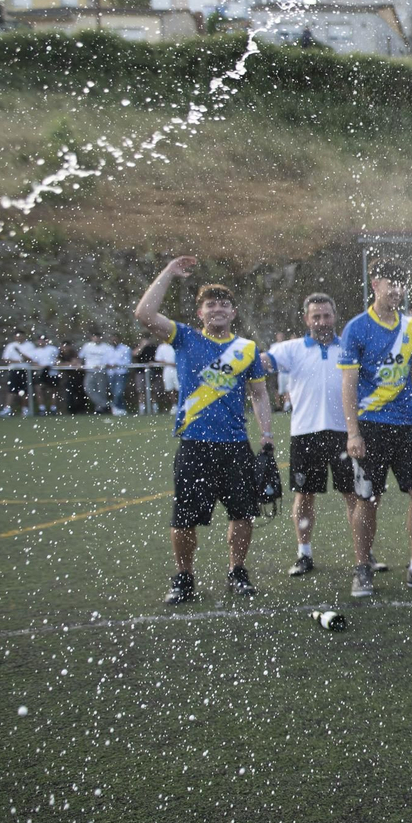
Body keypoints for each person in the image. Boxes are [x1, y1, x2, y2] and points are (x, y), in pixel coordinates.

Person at [133, 257, 273, 604]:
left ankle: (237, 571)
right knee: (183, 519)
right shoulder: (185, 338)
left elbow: (258, 394)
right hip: (195, 443)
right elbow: (144, 314)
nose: (218, 309)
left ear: (233, 312)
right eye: (210, 304)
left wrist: (267, 436)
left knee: (243, 514)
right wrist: (168, 273)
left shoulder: (247, 349)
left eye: (224, 304)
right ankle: (184, 577)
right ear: (200, 313)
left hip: (236, 444)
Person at [340, 260, 412, 598]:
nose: (397, 291)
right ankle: (363, 568)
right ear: (375, 285)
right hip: (372, 426)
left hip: (410, 427)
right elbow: (348, 384)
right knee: (367, 498)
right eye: (391, 284)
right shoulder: (357, 328)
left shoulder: (410, 327)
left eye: (401, 285)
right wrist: (353, 432)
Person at [264, 294, 360, 578]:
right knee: (304, 496)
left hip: (346, 432)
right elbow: (261, 363)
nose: (322, 322)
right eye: (316, 316)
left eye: (326, 315)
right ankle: (304, 554)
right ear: (306, 319)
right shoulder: (291, 348)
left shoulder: (349, 346)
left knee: (354, 495)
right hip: (305, 434)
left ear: (335, 316)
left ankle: (363, 554)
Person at [2, 331, 31, 415]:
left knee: (24, 390)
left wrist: (19, 352)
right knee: (11, 389)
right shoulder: (10, 346)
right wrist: (19, 361)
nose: (19, 338)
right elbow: (6, 359)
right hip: (14, 370)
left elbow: (29, 359)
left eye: (20, 336)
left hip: (25, 370)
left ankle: (25, 409)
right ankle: (7, 409)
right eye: (17, 336)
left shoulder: (29, 345)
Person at [107, 333, 132, 416]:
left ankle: (116, 407)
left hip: (121, 373)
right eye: (112, 339)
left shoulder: (125, 348)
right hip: (111, 373)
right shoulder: (107, 349)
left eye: (115, 339)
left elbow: (127, 361)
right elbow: (104, 360)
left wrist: (117, 365)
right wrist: (108, 365)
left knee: (119, 392)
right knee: (114, 392)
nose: (114, 341)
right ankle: (120, 408)